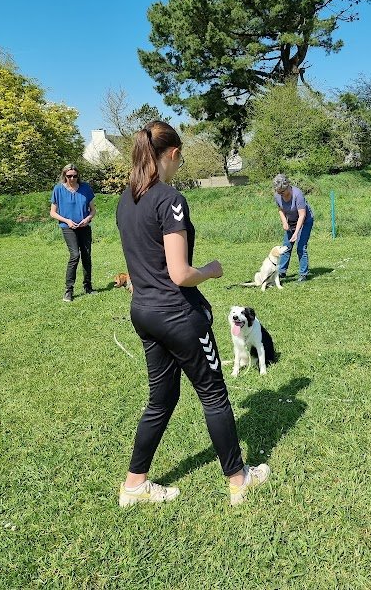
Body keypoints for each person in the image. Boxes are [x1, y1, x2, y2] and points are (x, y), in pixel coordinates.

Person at [115, 121, 270, 507]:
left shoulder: (125, 199)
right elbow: (180, 273)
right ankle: (239, 479)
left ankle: (134, 485)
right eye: (181, 156)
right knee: (214, 393)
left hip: (144, 313)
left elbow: (140, 265)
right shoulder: (170, 199)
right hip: (179, 315)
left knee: (161, 398)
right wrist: (211, 271)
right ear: (172, 154)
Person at [50, 164, 96, 302]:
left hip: (84, 227)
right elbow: (52, 212)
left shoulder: (85, 188)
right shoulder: (58, 189)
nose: (72, 178)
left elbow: (93, 210)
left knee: (86, 256)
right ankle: (68, 290)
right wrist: (67, 221)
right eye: (69, 176)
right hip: (68, 228)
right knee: (75, 255)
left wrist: (88, 218)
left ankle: (88, 287)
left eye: (75, 176)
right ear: (64, 175)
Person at [273, 173, 314, 282]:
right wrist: (284, 222)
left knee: (301, 246)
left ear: (288, 186)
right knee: (286, 247)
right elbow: (280, 209)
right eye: (279, 192)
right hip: (291, 221)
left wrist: (296, 233)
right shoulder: (277, 195)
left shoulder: (297, 194)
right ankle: (282, 272)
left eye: (282, 192)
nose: (281, 194)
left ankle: (303, 274)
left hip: (305, 221)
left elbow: (302, 215)